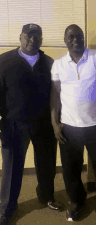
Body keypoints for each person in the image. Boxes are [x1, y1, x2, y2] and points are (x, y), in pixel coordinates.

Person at [51, 24, 96, 225]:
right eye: (70, 36)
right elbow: (54, 95)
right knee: (71, 170)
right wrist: (54, 123)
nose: (75, 39)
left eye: (79, 36)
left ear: (83, 37)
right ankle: (77, 203)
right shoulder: (58, 64)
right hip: (69, 127)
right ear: (65, 40)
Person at [0, 24, 62, 225]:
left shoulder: (49, 62)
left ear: (41, 40)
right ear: (20, 37)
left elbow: (55, 95)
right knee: (12, 169)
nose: (31, 40)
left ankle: (46, 196)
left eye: (36, 37)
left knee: (46, 165)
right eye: (28, 36)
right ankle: (7, 207)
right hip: (13, 124)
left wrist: (55, 121)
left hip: (43, 124)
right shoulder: (4, 60)